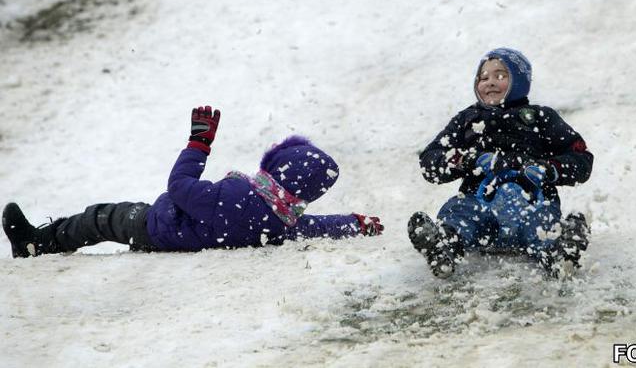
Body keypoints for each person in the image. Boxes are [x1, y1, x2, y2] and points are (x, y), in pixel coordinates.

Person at [3, 105, 383, 258]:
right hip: (180, 232)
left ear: (277, 165)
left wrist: (198, 144)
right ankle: (41, 241)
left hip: (158, 226)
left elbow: (179, 187)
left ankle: (36, 243)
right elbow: (316, 226)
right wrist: (354, 223)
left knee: (100, 218)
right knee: (106, 219)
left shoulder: (235, 196)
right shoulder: (283, 221)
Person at [408, 48, 593, 278]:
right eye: (483, 77)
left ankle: (560, 252)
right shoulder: (468, 119)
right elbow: (430, 160)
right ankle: (445, 246)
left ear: (520, 81)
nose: (490, 82)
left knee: (542, 225)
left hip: (533, 203)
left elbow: (581, 157)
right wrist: (467, 160)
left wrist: (549, 169)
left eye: (501, 75)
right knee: (460, 212)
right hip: (479, 203)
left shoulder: (540, 118)